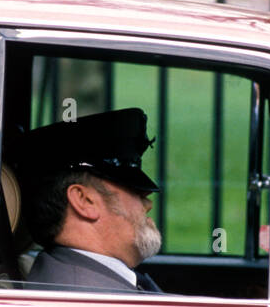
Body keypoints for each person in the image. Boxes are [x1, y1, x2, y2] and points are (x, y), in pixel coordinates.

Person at [19, 107, 163, 293]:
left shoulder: (74, 278)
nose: (148, 204)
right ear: (84, 200)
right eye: (134, 190)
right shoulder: (97, 301)